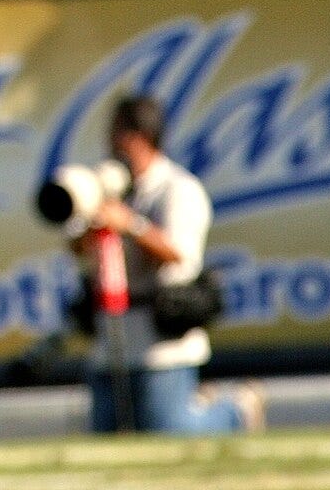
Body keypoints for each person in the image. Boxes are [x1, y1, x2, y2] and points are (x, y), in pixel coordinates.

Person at [78, 94, 261, 434]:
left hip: (162, 337)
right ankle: (198, 403)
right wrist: (88, 218)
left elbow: (179, 254)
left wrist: (131, 225)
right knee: (106, 432)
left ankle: (236, 410)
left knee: (167, 428)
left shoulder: (178, 188)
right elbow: (78, 251)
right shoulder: (107, 189)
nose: (111, 143)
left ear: (139, 137)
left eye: (117, 133)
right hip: (112, 331)